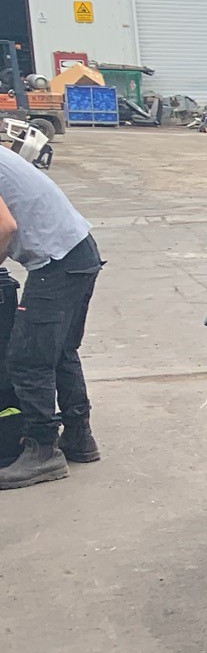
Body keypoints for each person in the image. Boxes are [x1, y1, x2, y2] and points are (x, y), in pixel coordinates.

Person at [0, 144, 102, 488]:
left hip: (57, 262)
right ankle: (78, 438)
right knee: (60, 352)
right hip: (80, 251)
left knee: (28, 359)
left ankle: (42, 452)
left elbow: (5, 227)